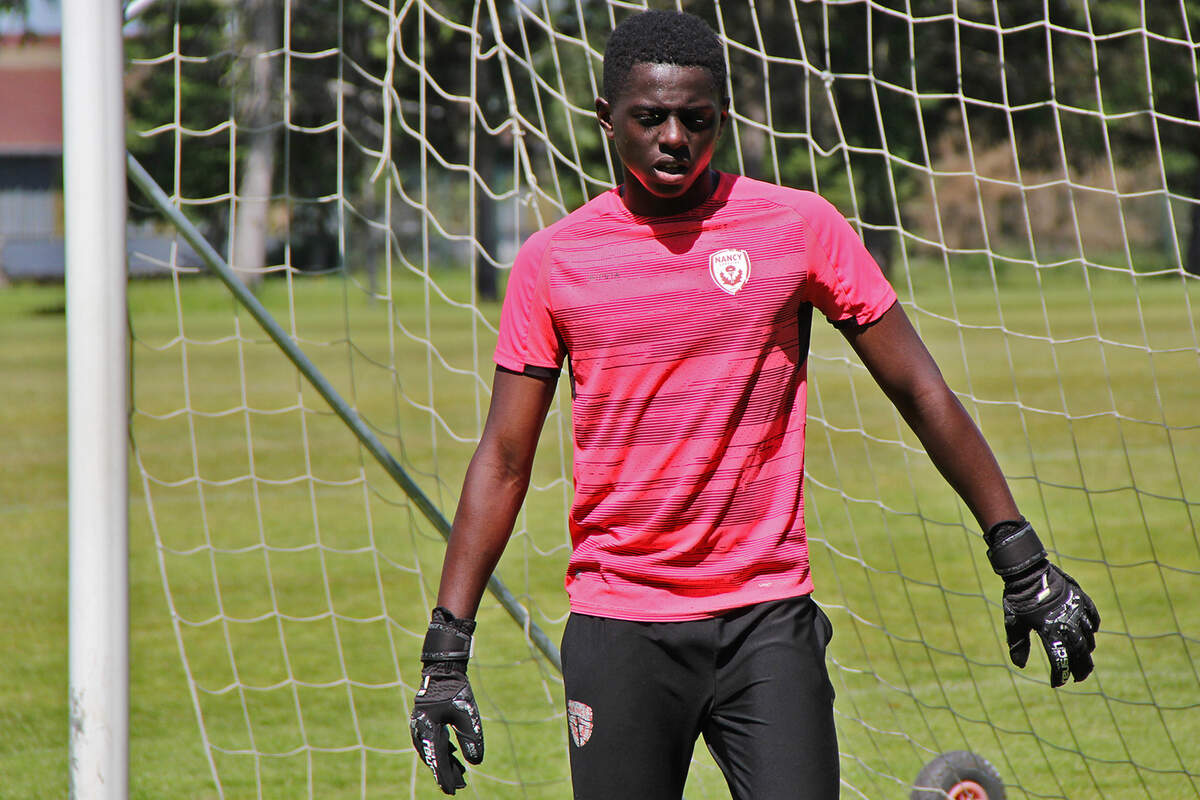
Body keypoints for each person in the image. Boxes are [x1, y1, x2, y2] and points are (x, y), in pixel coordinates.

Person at [408, 9, 1099, 799]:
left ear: (722, 119)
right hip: (622, 626)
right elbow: (504, 457)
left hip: (767, 622)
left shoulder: (798, 228)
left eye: (696, 120)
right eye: (650, 118)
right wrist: (445, 648)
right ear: (606, 120)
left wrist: (1021, 559)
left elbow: (919, 389)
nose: (675, 138)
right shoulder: (553, 262)